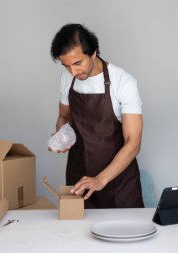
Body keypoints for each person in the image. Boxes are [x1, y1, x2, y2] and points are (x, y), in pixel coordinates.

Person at [50, 23, 144, 208]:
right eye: (66, 66)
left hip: (118, 183)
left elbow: (133, 143)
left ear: (93, 52)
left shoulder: (123, 82)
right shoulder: (67, 77)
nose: (73, 72)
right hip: (79, 180)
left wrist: (100, 179)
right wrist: (62, 136)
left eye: (78, 63)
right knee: (78, 234)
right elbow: (63, 117)